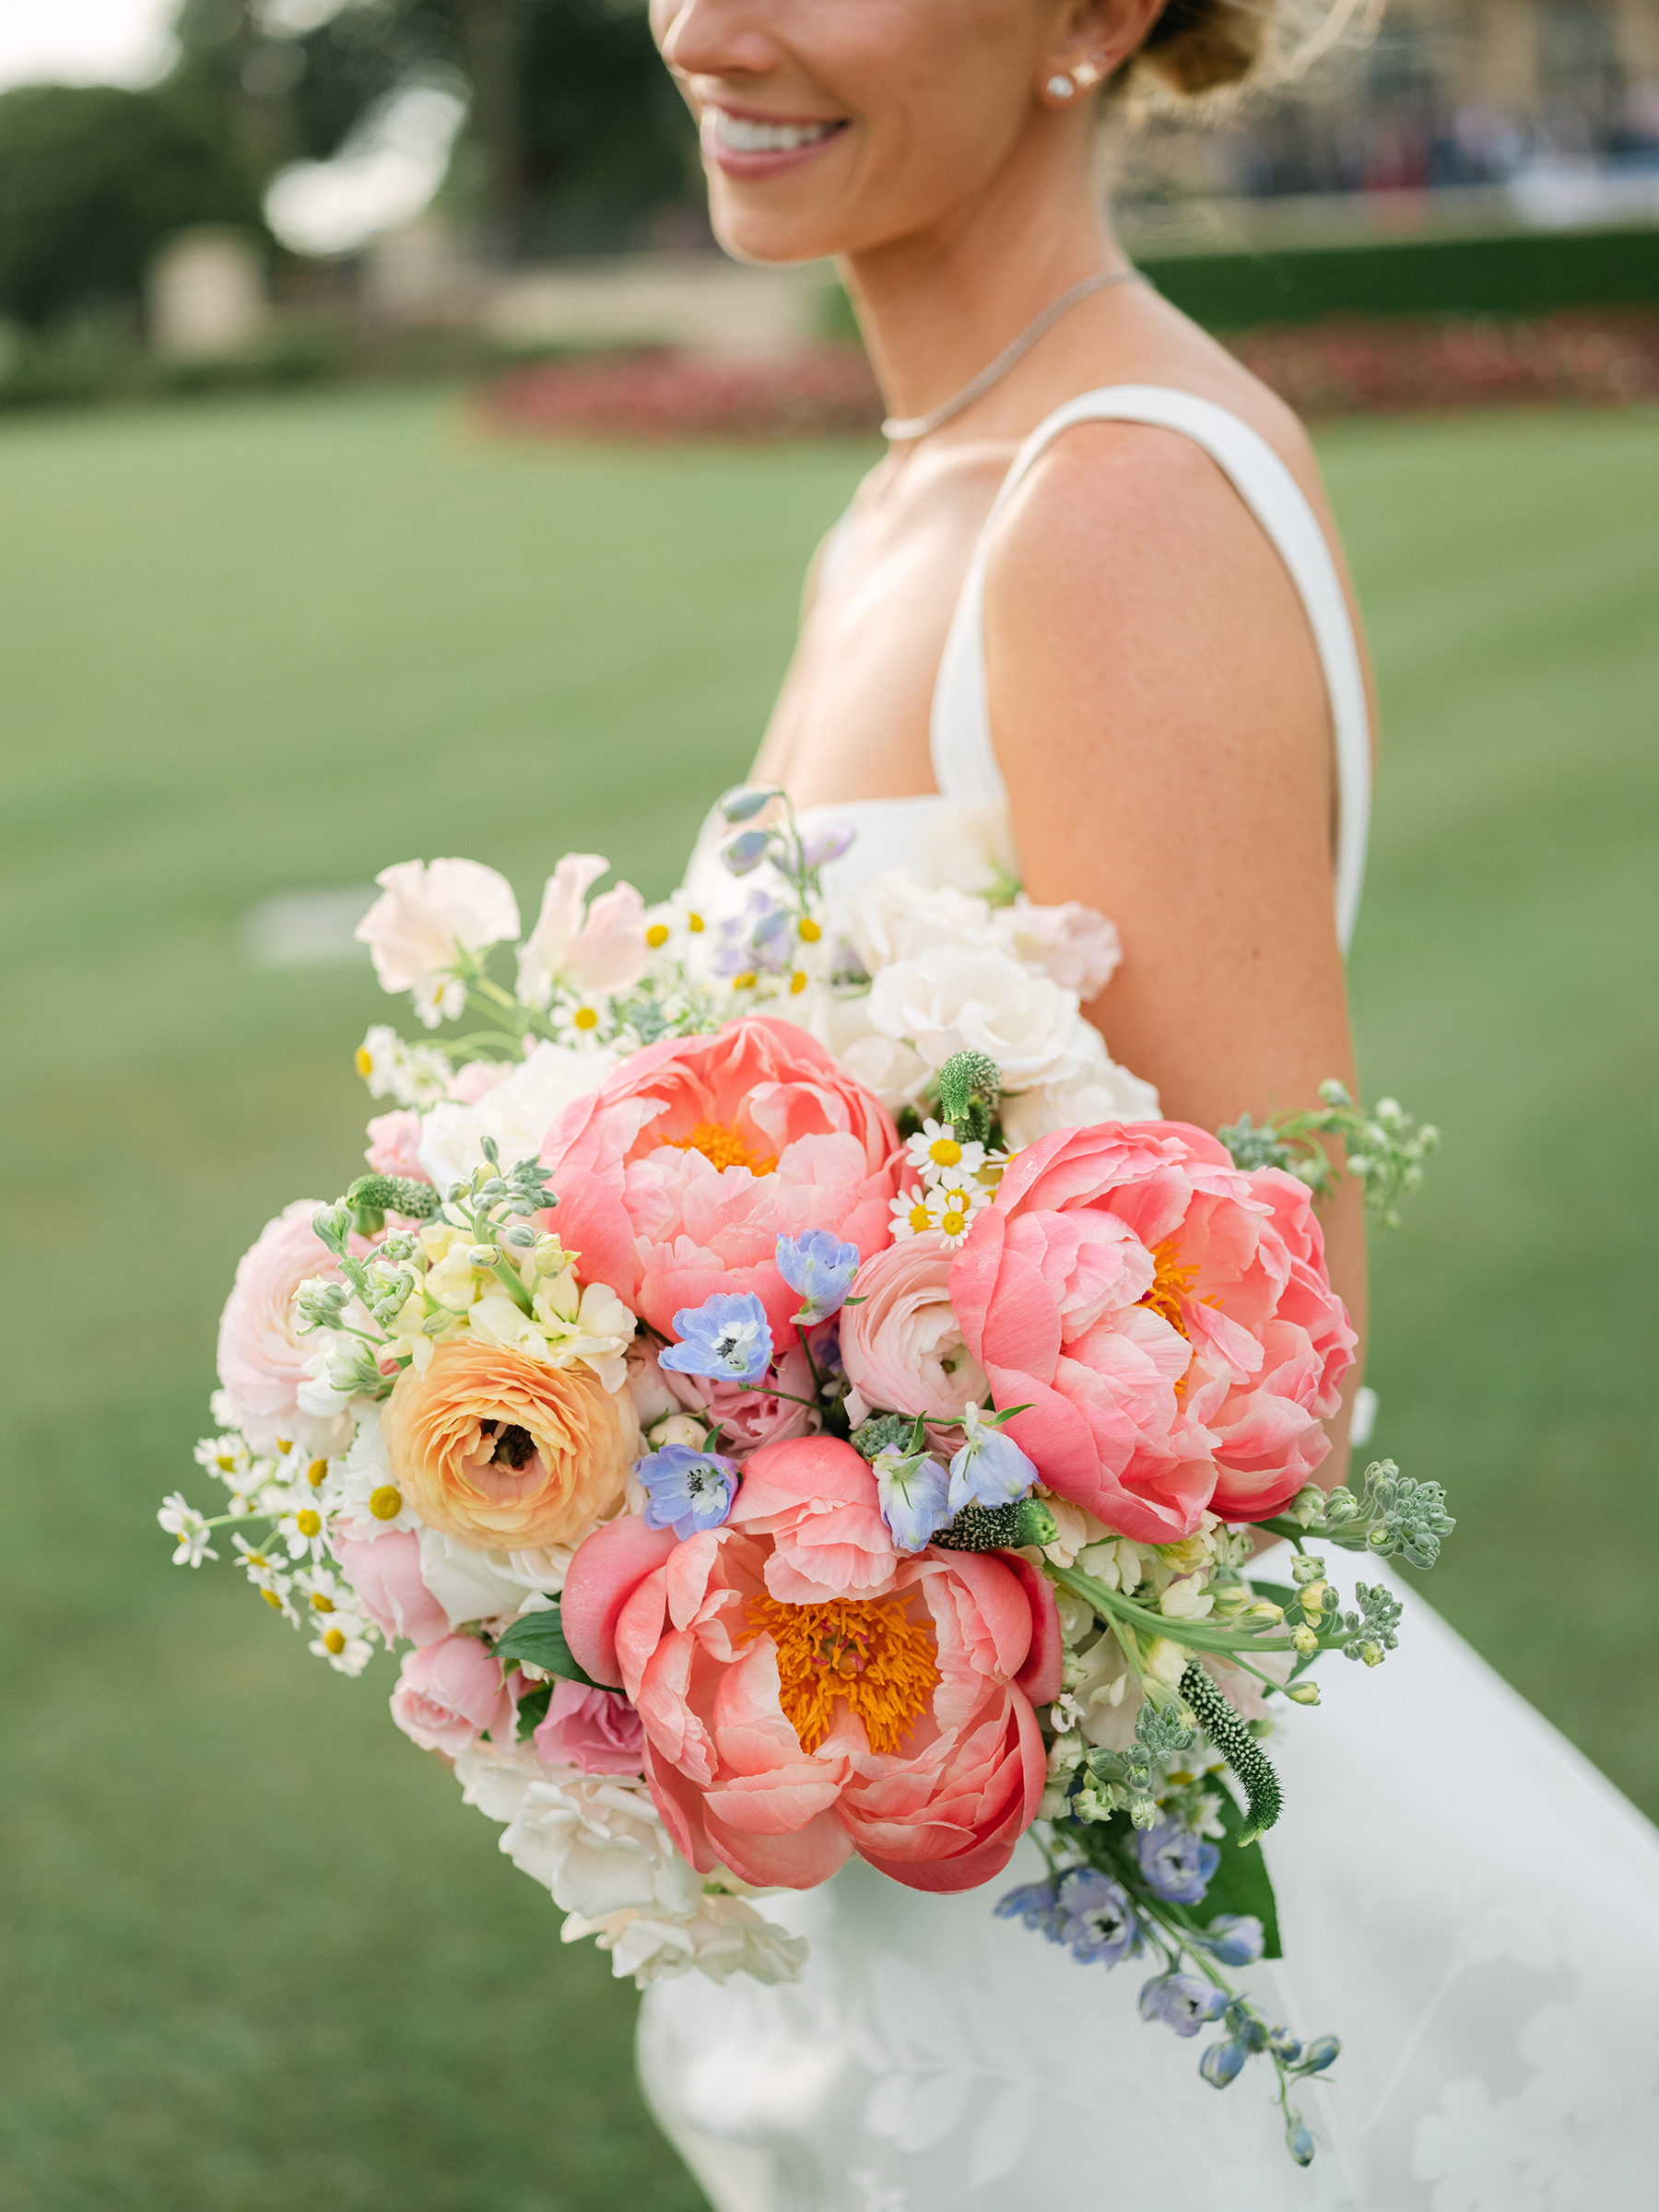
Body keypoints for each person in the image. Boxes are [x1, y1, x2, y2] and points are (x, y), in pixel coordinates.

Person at [640, 5, 1659, 2206]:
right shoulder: (926, 482)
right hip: (906, 1806)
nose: (712, 25)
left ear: (1095, 15)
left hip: (1106, 1927)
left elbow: (1265, 1375)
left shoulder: (1110, 504)